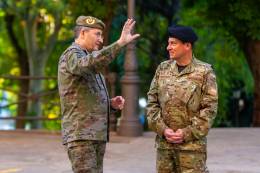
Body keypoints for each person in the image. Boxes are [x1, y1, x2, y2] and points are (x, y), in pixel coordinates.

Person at [58, 16, 140, 173]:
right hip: (81, 135)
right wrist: (119, 44)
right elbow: (88, 65)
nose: (101, 40)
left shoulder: (85, 57)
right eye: (97, 34)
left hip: (93, 134)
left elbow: (83, 96)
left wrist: (110, 104)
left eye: (101, 35)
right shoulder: (72, 54)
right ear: (83, 33)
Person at [146, 24, 218, 173]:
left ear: (187, 45)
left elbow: (209, 110)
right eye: (168, 43)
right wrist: (162, 129)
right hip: (164, 147)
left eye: (173, 43)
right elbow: (152, 103)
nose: (168, 47)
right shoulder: (162, 69)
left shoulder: (205, 72)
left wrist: (186, 133)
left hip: (192, 149)